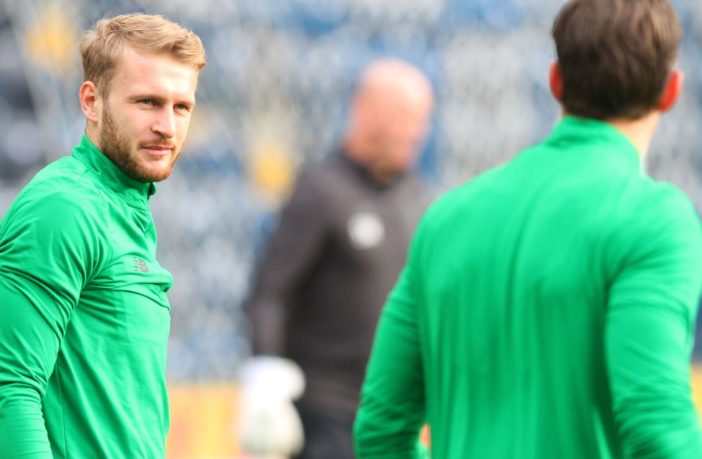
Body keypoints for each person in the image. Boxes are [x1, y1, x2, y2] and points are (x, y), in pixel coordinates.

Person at [354, 0, 702, 458]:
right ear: (671, 90)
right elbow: (657, 426)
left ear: (555, 82)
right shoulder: (653, 219)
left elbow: (381, 432)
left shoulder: (446, 219)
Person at [0, 13, 205, 458]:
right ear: (91, 101)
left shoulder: (123, 203)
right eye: (148, 102)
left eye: (181, 107)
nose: (167, 127)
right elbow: (9, 387)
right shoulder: (64, 207)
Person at [241, 58, 435, 459]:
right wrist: (266, 375)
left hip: (393, 417)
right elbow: (271, 292)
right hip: (325, 415)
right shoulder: (320, 191)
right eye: (403, 117)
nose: (415, 131)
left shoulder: (418, 200)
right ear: (364, 112)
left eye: (421, 119)